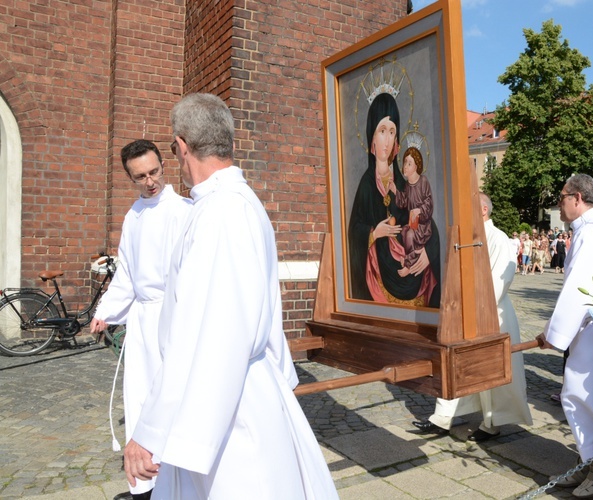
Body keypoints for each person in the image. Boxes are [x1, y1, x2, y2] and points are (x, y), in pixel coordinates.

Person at [123, 93, 337, 498]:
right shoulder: (239, 203)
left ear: (182, 147)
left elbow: (203, 336)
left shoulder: (219, 214)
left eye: (173, 148)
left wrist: (151, 431)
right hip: (245, 389)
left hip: (229, 408)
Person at [90, 139, 192, 500]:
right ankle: (146, 486)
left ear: (163, 164)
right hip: (143, 320)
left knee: (173, 397)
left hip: (174, 315)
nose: (150, 181)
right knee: (141, 397)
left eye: (154, 172)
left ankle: (178, 482)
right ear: (129, 177)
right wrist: (105, 312)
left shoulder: (184, 210)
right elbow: (127, 275)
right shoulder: (133, 216)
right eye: (140, 177)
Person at [536, 174, 593, 498]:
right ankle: (587, 464)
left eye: (562, 197)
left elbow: (580, 289)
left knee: (589, 399)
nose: (559, 203)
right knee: (584, 397)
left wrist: (556, 334)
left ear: (577, 198)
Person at [411, 193, 533, 441]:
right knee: (455, 366)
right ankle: (443, 418)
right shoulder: (465, 238)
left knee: (486, 369)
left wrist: (477, 309)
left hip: (491, 315)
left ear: (484, 210)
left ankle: (491, 423)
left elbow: (501, 280)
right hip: (462, 313)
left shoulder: (499, 240)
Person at [348, 92, 440, 307]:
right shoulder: (366, 185)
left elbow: (425, 221)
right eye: (382, 131)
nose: (387, 141)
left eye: (392, 132)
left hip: (413, 273)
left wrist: (429, 251)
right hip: (380, 274)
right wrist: (373, 233)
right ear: (372, 137)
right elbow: (354, 231)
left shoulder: (405, 181)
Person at [388, 146, 433, 277]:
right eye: (405, 162)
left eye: (409, 163)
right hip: (413, 222)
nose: (405, 166)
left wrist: (420, 210)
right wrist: (395, 190)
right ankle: (409, 258)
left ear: (417, 166)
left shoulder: (423, 181)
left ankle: (408, 265)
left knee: (410, 235)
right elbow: (404, 202)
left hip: (423, 225)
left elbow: (429, 202)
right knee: (404, 232)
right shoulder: (408, 185)